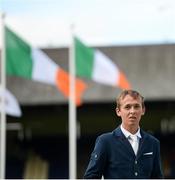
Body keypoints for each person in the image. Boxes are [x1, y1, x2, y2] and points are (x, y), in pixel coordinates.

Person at [84, 89, 163, 179]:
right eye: (127, 107)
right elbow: (90, 177)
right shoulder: (105, 141)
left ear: (143, 110)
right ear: (118, 111)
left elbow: (157, 177)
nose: (132, 111)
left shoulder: (153, 143)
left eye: (136, 106)